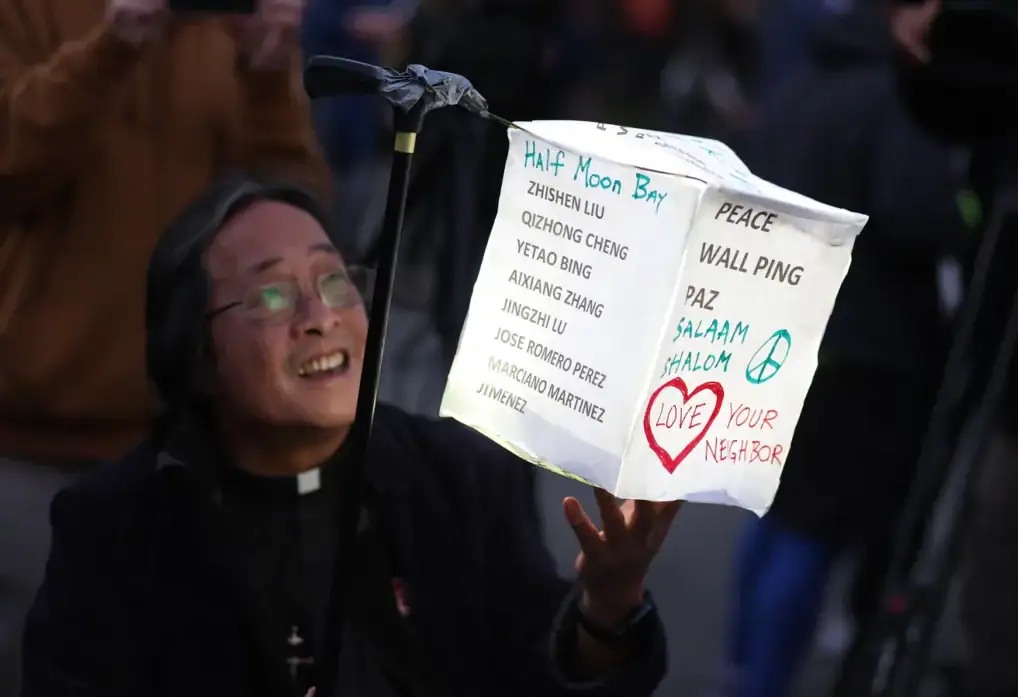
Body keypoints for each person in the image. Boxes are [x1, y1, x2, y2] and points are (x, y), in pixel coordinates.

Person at [21, 174, 677, 697]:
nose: (320, 316)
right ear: (195, 353)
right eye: (273, 296)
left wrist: (609, 609)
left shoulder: (461, 476)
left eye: (334, 281)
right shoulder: (118, 525)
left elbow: (540, 671)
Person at [0, 0, 327, 689]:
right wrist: (112, 46)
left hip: (193, 442)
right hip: (33, 441)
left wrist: (268, 76)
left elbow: (293, 225)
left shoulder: (221, 27)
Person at [719, 1, 968, 696]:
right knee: (810, 530)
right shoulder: (894, 97)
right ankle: (760, 682)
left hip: (788, 332)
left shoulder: (804, 81)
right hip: (865, 354)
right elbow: (921, 215)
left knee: (776, 514)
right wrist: (966, 210)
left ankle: (740, 667)